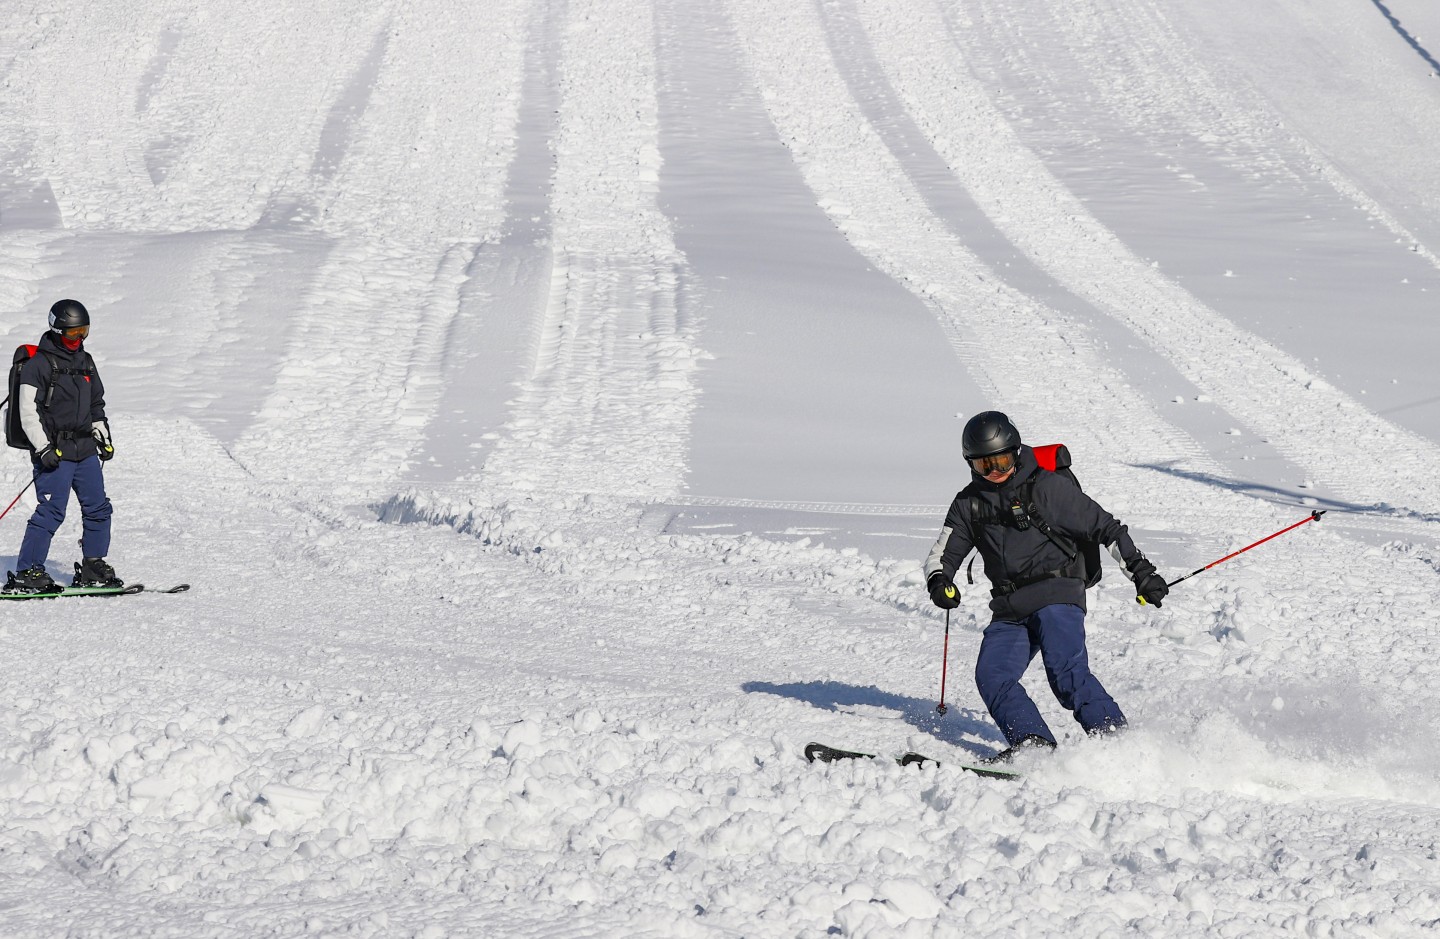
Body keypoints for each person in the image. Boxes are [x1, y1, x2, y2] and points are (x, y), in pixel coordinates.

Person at [923, 411, 1167, 762]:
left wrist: (1140, 571)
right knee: (992, 675)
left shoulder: (1046, 488)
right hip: (1009, 607)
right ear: (971, 465)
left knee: (1066, 671)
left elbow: (1106, 528)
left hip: (1056, 594)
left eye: (1002, 460)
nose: (995, 472)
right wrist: (940, 580)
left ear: (1016, 451)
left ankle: (1118, 744)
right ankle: (1033, 745)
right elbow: (943, 552)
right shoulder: (968, 503)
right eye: (983, 466)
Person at [3, 299, 120, 594]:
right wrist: (42, 448)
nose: (78, 339)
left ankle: (93, 565)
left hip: (85, 451)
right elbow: (27, 412)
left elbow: (96, 405)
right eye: (72, 333)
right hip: (54, 451)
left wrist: (103, 438)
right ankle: (28, 572)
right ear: (57, 330)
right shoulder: (38, 365)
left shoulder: (86, 361)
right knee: (52, 511)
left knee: (99, 508)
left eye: (83, 331)